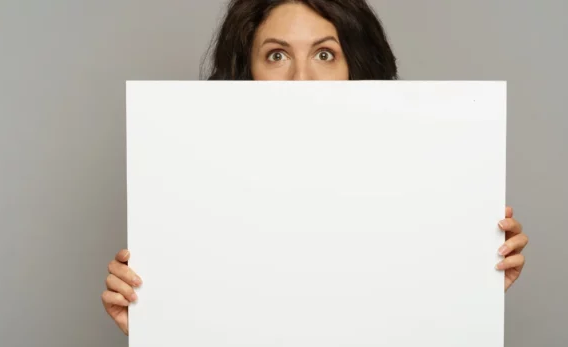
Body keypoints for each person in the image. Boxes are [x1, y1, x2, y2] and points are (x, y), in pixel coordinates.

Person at [101, 0, 529, 335]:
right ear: (246, 72)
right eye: (276, 56)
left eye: (325, 54)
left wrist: (470, 290)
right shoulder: (194, 209)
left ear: (354, 67)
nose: (301, 79)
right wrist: (157, 322)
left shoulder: (419, 201)